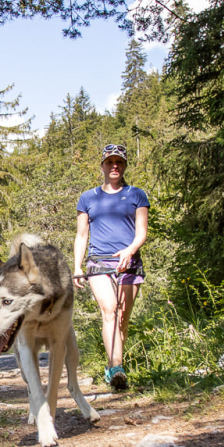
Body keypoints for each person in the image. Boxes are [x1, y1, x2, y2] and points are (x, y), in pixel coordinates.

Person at [73, 143, 149, 391]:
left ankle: (113, 366)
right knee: (110, 310)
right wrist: (77, 267)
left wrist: (130, 250)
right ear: (102, 166)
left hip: (129, 262)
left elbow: (142, 232)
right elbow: (81, 236)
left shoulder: (137, 195)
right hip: (98, 262)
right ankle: (117, 369)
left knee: (122, 320)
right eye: (110, 162)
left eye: (119, 162)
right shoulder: (88, 198)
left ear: (125, 165)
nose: (114, 166)